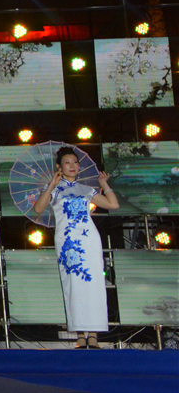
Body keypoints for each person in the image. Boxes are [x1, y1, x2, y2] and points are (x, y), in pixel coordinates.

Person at [32, 147, 119, 349]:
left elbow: (113, 205)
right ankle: (80, 334)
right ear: (59, 167)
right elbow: (38, 209)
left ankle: (93, 335)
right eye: (67, 163)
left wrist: (103, 184)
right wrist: (51, 185)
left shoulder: (85, 189)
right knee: (73, 286)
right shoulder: (54, 189)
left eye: (75, 162)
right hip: (68, 243)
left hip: (89, 241)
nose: (72, 166)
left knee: (94, 285)